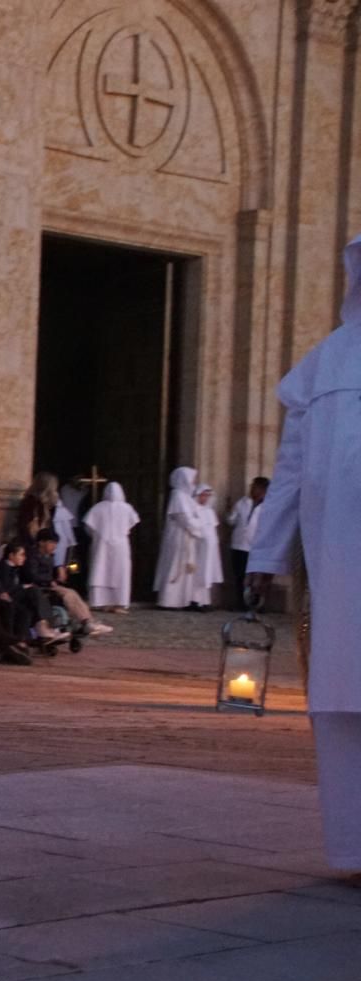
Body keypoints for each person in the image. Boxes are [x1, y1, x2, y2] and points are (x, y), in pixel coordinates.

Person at [248, 232, 361, 877]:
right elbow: (288, 471)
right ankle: (353, 846)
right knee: (342, 703)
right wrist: (265, 554)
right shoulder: (323, 366)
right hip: (335, 567)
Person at [154, 466, 209, 609]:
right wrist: (198, 529)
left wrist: (197, 525)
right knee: (176, 566)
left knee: (187, 568)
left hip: (187, 535)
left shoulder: (186, 496)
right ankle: (169, 600)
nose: (194, 482)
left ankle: (183, 600)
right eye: (192, 479)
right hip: (179, 536)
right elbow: (184, 518)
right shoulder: (177, 495)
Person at [83, 482, 140, 612]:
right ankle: (119, 602)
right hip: (121, 546)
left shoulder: (97, 508)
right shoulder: (127, 508)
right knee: (120, 572)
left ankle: (100, 601)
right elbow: (132, 524)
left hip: (101, 545)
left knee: (101, 571)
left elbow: (88, 528)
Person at [226, 477, 268, 610]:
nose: (252, 489)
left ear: (263, 490)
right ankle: (241, 603)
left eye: (255, 487)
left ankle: (256, 604)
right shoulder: (242, 503)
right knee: (240, 576)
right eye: (252, 486)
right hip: (239, 544)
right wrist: (228, 511)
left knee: (257, 577)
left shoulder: (267, 506)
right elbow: (231, 521)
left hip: (257, 546)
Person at [191, 484, 223, 610]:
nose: (206, 498)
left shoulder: (209, 511)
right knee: (198, 573)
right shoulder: (194, 509)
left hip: (210, 547)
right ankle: (195, 600)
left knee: (207, 574)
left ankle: (205, 601)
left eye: (208, 495)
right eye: (203, 495)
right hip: (199, 547)